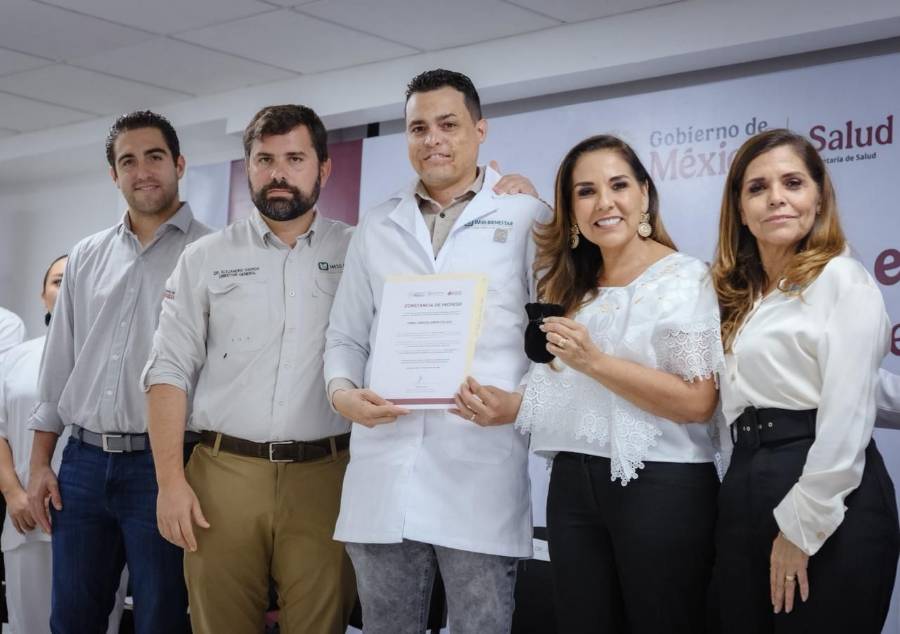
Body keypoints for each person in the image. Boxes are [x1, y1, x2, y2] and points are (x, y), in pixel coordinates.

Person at [324, 68, 549, 634]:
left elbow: (551, 343)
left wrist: (519, 404)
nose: (433, 140)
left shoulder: (528, 216)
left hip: (479, 467)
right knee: (386, 626)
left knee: (480, 625)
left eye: (448, 124)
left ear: (480, 130)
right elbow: (345, 334)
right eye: (418, 128)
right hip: (385, 466)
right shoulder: (378, 224)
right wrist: (342, 394)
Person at [143, 104, 357, 634]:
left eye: (294, 158)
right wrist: (169, 483)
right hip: (223, 476)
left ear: (324, 168)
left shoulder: (360, 250)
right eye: (264, 159)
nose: (278, 172)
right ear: (249, 166)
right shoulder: (205, 256)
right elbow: (168, 370)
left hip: (328, 476)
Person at [515, 134, 723, 633]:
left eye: (619, 185)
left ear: (645, 194)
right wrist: (497, 403)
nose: (604, 202)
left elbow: (698, 402)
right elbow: (564, 396)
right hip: (571, 485)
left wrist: (595, 361)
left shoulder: (685, 278)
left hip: (663, 487)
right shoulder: (568, 288)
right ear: (571, 210)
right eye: (585, 192)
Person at [27, 111, 210, 633]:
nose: (142, 171)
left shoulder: (210, 253)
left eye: (154, 157)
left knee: (160, 619)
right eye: (128, 161)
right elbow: (59, 367)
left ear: (178, 164)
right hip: (81, 466)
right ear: (114, 174)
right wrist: (40, 464)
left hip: (166, 467)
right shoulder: (86, 255)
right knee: (72, 620)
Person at [710, 128, 899, 633]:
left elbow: (847, 413)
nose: (777, 197)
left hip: (824, 484)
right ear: (740, 209)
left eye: (793, 183)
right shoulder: (736, 298)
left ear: (818, 198)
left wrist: (801, 527)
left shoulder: (842, 279)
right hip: (743, 482)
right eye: (758, 187)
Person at [0, 256, 126, 634]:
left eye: (78, 279)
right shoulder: (14, 359)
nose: (68, 286)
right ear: (43, 295)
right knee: (28, 624)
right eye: (58, 281)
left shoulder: (119, 358)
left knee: (97, 621)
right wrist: (13, 493)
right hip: (26, 516)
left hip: (100, 515)